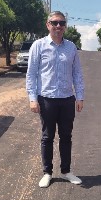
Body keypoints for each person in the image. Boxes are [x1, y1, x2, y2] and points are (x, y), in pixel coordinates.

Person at [25, 10, 85, 188]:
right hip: (47, 99)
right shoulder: (38, 45)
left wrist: (80, 96)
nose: (58, 26)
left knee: (66, 136)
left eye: (62, 23)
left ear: (65, 26)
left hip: (67, 99)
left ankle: (66, 171)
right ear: (48, 24)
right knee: (47, 137)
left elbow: (77, 74)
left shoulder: (71, 47)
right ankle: (47, 172)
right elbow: (31, 74)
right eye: (55, 22)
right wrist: (32, 98)